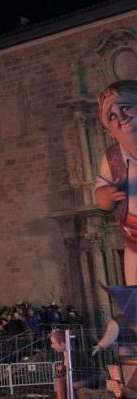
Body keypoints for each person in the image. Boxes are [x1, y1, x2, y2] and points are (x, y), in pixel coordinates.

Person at [95, 80, 137, 285]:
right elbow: (101, 197)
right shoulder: (111, 158)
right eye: (111, 116)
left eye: (126, 107)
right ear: (109, 131)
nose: (120, 117)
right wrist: (107, 196)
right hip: (134, 242)